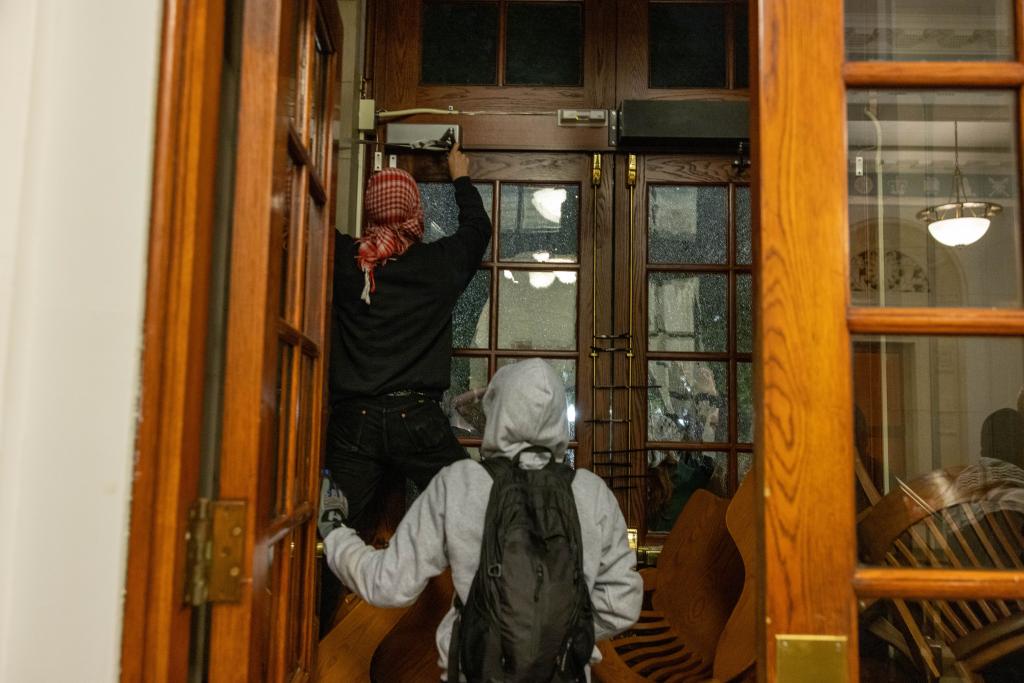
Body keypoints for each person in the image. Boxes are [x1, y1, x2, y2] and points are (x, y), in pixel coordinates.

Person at [321, 359, 643, 681]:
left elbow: (386, 585)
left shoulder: (460, 483)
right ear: (559, 416)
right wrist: (558, 633)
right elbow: (623, 603)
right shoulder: (592, 493)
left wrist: (334, 529)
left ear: (498, 410)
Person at [321, 143, 491, 628]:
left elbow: (310, 220)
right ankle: (478, 632)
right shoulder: (436, 266)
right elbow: (477, 231)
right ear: (416, 211)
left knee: (333, 537)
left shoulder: (346, 261)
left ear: (370, 211)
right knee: (477, 512)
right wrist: (460, 176)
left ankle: (317, 639)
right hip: (416, 420)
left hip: (353, 424)